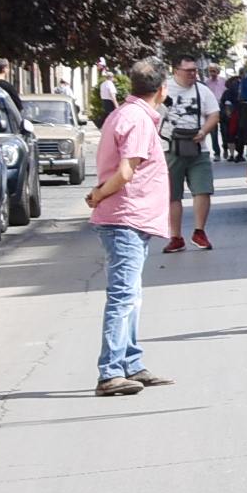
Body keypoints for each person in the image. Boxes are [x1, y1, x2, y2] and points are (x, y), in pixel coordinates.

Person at [86, 57, 176, 396]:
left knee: (131, 296)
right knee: (123, 297)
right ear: (162, 89)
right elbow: (125, 173)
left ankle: (130, 363)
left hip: (130, 218)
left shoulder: (125, 115)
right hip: (125, 217)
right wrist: (97, 195)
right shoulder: (137, 119)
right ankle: (110, 372)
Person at [162, 55, 224, 253]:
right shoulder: (163, 90)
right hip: (170, 148)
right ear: (176, 71)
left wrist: (203, 131)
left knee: (203, 189)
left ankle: (199, 231)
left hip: (198, 148)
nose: (192, 74)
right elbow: (152, 114)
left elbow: (214, 114)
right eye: (188, 71)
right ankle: (176, 236)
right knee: (173, 194)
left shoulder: (202, 90)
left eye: (195, 70)